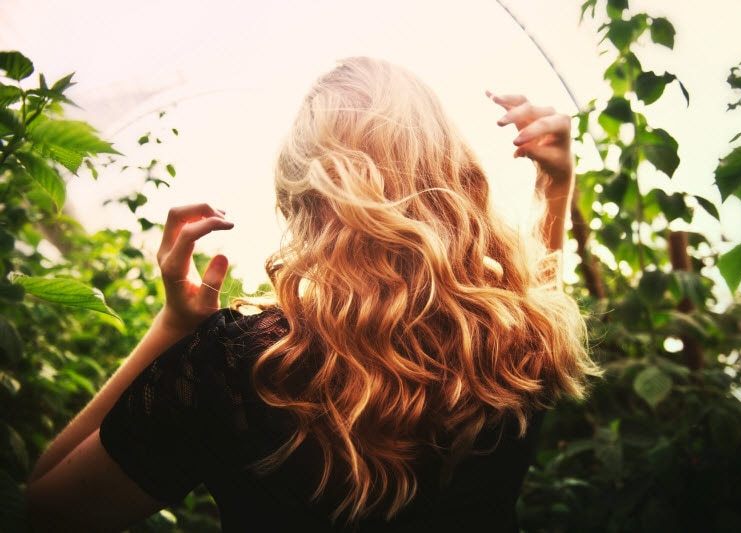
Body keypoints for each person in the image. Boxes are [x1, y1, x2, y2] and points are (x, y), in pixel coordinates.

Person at [25, 57, 598, 532]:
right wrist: (555, 185)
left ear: (303, 194)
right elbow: (537, 293)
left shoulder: (241, 366)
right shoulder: (519, 342)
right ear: (452, 170)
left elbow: (49, 508)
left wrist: (173, 327)